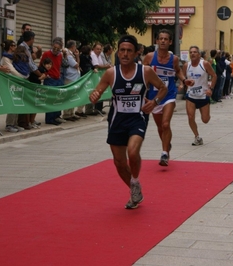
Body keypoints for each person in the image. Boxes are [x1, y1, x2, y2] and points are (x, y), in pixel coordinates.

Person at [89, 35, 168, 209]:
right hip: (117, 120)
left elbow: (163, 88)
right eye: (122, 50)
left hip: (137, 118)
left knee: (132, 152)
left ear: (135, 53)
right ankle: (134, 187)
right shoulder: (111, 73)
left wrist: (154, 102)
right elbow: (97, 91)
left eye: (129, 51)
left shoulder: (145, 71)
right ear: (118, 52)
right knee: (119, 161)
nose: (125, 54)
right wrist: (94, 96)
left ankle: (135, 180)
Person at [143, 29, 192, 166]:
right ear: (157, 41)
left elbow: (177, 71)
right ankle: (166, 144)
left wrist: (184, 80)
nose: (163, 41)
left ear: (170, 42)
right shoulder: (149, 57)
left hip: (169, 94)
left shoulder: (174, 59)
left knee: (165, 124)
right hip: (154, 96)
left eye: (166, 39)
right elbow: (142, 74)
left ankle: (164, 153)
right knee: (160, 127)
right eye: (161, 38)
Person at [182, 46, 217, 146]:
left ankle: (206, 113)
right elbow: (183, 78)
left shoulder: (204, 64)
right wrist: (182, 84)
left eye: (195, 52)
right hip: (191, 95)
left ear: (199, 54)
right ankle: (197, 137)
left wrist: (211, 89)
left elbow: (214, 76)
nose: (192, 54)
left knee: (205, 120)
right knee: (190, 116)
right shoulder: (186, 65)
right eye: (191, 52)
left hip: (203, 95)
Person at [18, 31, 45, 129]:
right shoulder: (23, 47)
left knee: (31, 100)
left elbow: (33, 60)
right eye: (33, 39)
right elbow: (30, 64)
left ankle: (29, 121)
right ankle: (24, 122)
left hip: (28, 75)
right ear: (31, 39)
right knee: (26, 100)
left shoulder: (28, 48)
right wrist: (40, 74)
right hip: (24, 75)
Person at [0, 40, 26, 133]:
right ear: (10, 47)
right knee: (12, 102)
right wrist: (22, 77)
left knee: (17, 102)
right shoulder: (5, 58)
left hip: (16, 83)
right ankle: (9, 124)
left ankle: (14, 123)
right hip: (9, 83)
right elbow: (12, 70)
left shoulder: (14, 57)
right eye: (14, 45)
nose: (16, 47)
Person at [39, 37, 66, 125]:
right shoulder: (46, 53)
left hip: (57, 78)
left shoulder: (60, 55)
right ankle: (50, 119)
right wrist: (46, 74)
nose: (56, 50)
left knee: (58, 99)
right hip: (50, 79)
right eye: (54, 48)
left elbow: (62, 65)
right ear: (52, 46)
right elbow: (41, 65)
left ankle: (56, 116)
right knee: (50, 99)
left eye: (58, 49)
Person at [62, 40, 81, 122]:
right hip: (70, 78)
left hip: (74, 78)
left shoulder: (71, 54)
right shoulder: (68, 54)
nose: (76, 48)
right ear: (72, 46)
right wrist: (77, 57)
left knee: (73, 97)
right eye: (75, 46)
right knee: (68, 97)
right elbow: (76, 65)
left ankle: (71, 113)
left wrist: (76, 56)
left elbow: (77, 64)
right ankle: (66, 114)